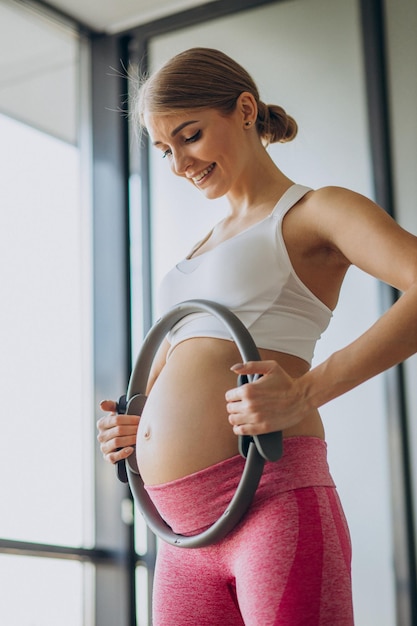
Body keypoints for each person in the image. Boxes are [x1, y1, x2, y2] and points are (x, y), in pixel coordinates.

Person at [97, 47, 417, 625]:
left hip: (272, 503)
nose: (179, 164)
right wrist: (141, 427)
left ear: (244, 110)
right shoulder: (202, 246)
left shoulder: (316, 211)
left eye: (190, 136)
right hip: (179, 535)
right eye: (165, 150)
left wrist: (304, 391)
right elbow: (186, 367)